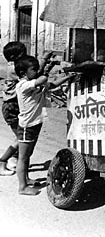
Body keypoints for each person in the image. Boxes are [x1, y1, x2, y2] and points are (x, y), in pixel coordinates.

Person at [14, 55, 75, 195]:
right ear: (23, 73)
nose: (36, 72)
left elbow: (51, 85)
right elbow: (43, 79)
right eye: (33, 69)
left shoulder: (34, 82)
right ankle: (22, 187)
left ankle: (26, 179)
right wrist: (46, 70)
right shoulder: (22, 85)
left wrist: (68, 77)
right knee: (22, 157)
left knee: (28, 154)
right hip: (26, 126)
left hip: (35, 123)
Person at [0, 41, 53, 175]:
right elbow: (36, 73)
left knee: (22, 138)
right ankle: (4, 161)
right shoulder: (13, 69)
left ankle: (16, 161)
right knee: (21, 138)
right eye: (23, 54)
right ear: (13, 57)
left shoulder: (15, 66)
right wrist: (44, 59)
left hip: (17, 106)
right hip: (12, 107)